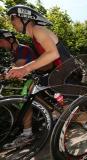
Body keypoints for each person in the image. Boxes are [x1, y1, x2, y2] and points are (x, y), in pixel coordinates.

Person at [4, 4, 72, 149]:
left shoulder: (37, 30)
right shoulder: (35, 36)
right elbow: (48, 61)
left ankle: (76, 121)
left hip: (66, 72)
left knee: (69, 111)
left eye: (13, 19)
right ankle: (54, 115)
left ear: (24, 17)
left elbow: (53, 54)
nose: (12, 23)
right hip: (58, 73)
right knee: (31, 92)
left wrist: (25, 68)